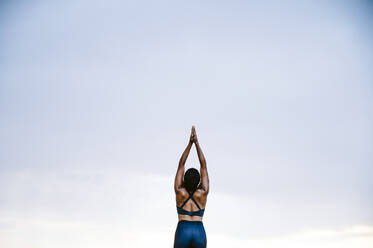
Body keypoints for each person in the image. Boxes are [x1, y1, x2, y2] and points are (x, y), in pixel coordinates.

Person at [174, 126, 209, 248]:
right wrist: (197, 143)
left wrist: (190, 144)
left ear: (184, 179)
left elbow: (181, 164)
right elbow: (203, 165)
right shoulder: (203, 192)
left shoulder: (179, 190)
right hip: (199, 230)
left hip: (183, 229)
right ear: (199, 181)